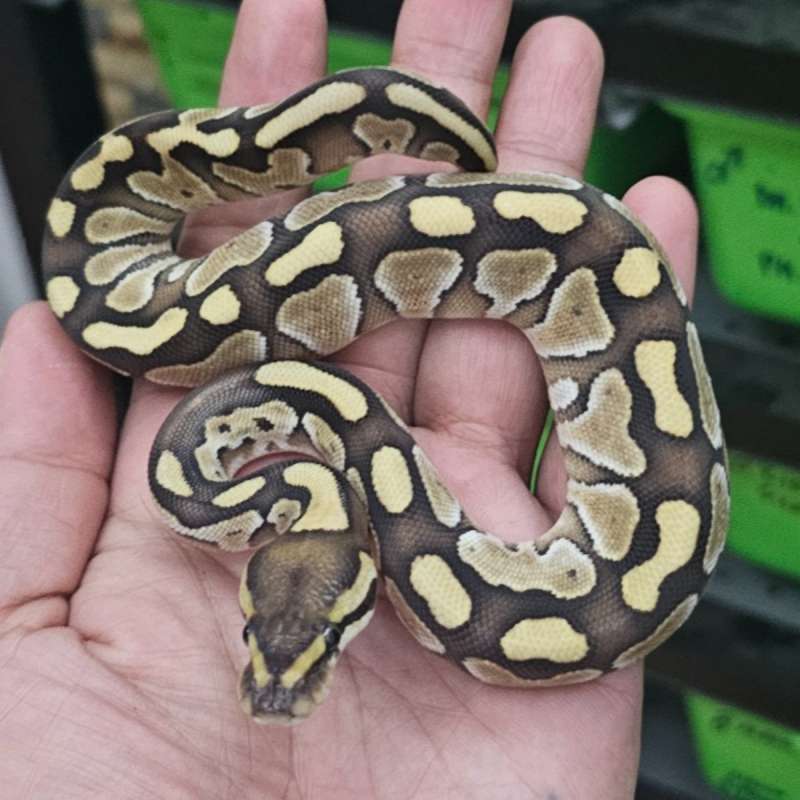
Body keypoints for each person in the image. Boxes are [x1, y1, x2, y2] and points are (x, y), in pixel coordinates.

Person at [0, 1, 699, 796]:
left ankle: (273, 147)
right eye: (313, 641)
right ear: (370, 572)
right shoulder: (280, 485)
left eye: (291, 638)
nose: (281, 684)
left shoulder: (233, 482)